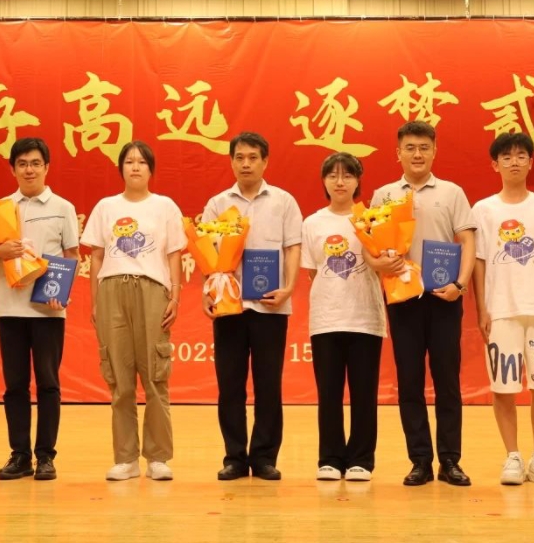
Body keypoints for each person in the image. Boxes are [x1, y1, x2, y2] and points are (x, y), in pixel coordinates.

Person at [367, 120, 476, 486]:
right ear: (398, 153)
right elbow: (370, 246)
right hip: (402, 299)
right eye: (410, 148)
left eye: (424, 147)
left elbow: (468, 242)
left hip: (444, 297)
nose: (417, 154)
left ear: (434, 151)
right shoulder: (384, 195)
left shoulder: (452, 192)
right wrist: (380, 265)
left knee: (447, 381)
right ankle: (420, 461)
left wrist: (460, 284)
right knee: (409, 381)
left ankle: (450, 460)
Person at [82, 141, 185, 482]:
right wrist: (96, 300)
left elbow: (174, 253)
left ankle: (158, 457)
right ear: (121, 169)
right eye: (129, 162)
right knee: (119, 379)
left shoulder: (164, 206)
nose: (136, 167)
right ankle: (125, 458)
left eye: (142, 162)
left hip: (152, 289)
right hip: (112, 290)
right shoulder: (106, 207)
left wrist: (175, 295)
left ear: (151, 169)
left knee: (155, 375)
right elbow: (97, 256)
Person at [202, 132, 302, 481]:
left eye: (253, 157)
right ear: (231, 161)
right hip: (229, 306)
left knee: (268, 384)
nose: (246, 164)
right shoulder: (217, 204)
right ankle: (234, 457)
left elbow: (293, 247)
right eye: (240, 157)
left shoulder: (283, 201)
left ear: (265, 161)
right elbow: (207, 252)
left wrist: (289, 288)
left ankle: (264, 457)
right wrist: (208, 291)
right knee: (230, 384)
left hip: (270, 306)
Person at [0, 137, 79, 482]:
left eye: (36, 163)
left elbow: (71, 255)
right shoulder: (2, 208)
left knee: (49, 384)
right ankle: (19, 455)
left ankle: (46, 456)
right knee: (15, 386)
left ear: (47, 167)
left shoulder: (63, 207)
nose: (29, 170)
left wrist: (62, 294)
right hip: (9, 309)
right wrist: (1, 251)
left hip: (48, 309)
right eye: (22, 164)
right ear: (12, 169)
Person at [472, 133, 534, 487]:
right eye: (507, 156)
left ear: (531, 162)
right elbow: (479, 262)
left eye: (521, 155)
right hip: (501, 310)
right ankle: (512, 455)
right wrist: (482, 308)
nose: (514, 161)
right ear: (494, 165)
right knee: (503, 386)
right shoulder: (483, 210)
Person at [300, 153, 386, 482]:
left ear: (357, 181)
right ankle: (330, 458)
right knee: (329, 394)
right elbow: (313, 271)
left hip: (365, 316)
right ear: (324, 181)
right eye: (333, 176)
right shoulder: (313, 223)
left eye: (347, 175)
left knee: (364, 393)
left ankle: (362, 459)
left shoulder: (372, 219)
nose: (340, 182)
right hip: (327, 317)